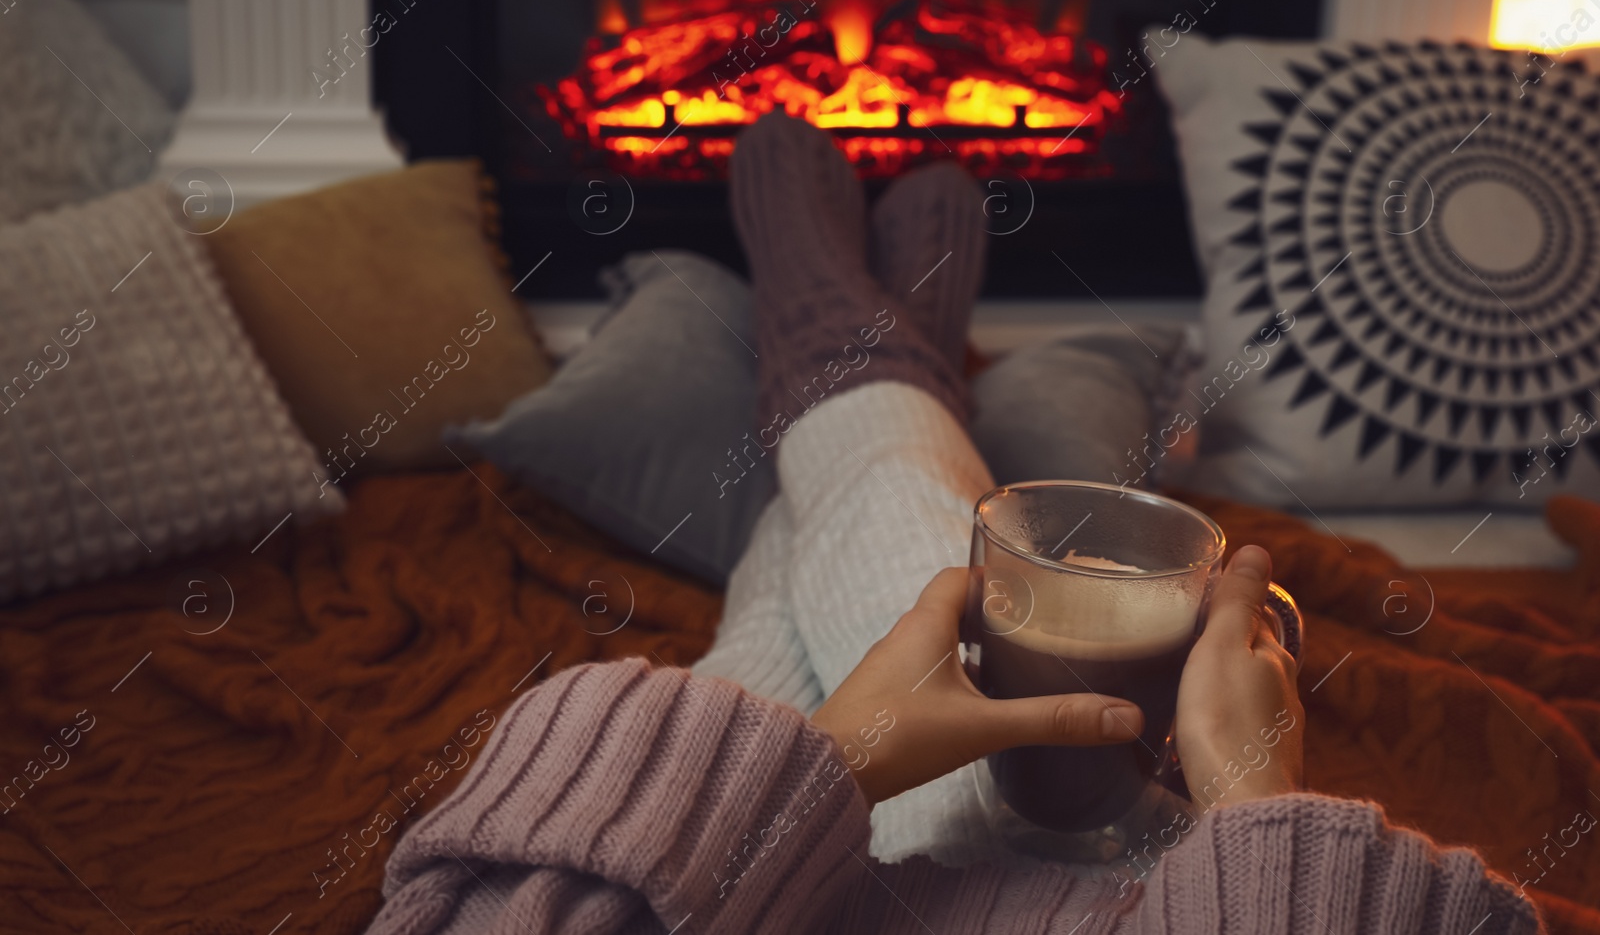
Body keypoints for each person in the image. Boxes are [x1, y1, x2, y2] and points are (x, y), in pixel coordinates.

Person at [363, 115, 1539, 934]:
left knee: (858, 529)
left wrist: (824, 765)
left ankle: (831, 316)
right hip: (1131, 879)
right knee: (895, 519)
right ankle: (884, 336)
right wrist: (1254, 801)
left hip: (856, 883)